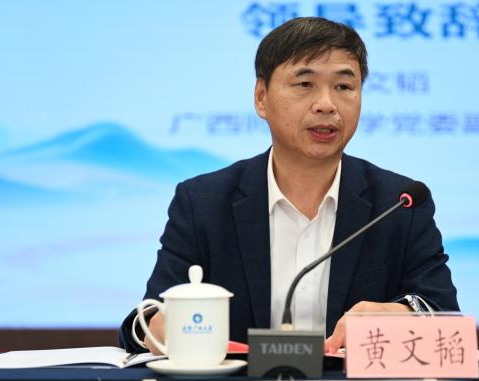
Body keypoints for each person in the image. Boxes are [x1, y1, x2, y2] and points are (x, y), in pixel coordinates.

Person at [118, 17, 459, 355]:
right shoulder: (204, 202)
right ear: (261, 97)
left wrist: (403, 314)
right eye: (305, 84)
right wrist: (157, 327)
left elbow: (445, 317)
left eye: (344, 87)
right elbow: (143, 322)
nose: (326, 104)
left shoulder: (399, 203)